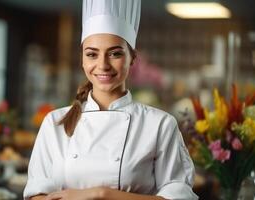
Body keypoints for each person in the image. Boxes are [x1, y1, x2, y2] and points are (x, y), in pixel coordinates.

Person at [23, 0, 198, 199]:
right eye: (92, 54)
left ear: (133, 58)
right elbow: (36, 193)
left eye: (115, 53)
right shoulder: (55, 122)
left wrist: (101, 194)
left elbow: (179, 196)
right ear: (82, 59)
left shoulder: (160, 125)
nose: (103, 65)